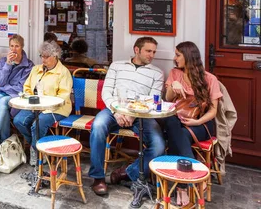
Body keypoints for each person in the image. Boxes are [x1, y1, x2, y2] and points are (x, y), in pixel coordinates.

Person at [88, 37, 165, 196]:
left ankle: (127, 173)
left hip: (141, 115)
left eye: (154, 52)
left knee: (158, 145)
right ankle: (98, 178)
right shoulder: (117, 66)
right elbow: (106, 92)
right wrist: (117, 112)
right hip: (114, 110)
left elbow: (153, 99)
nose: (152, 55)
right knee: (98, 126)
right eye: (148, 51)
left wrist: (133, 114)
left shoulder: (157, 73)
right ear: (137, 50)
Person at [162, 41, 222, 206]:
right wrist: (173, 86)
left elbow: (213, 111)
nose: (174, 58)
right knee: (173, 123)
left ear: (188, 57)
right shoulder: (175, 74)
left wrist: (196, 121)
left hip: (201, 123)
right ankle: (191, 180)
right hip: (178, 120)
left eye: (178, 55)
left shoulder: (210, 79)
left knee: (178, 134)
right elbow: (167, 100)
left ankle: (181, 186)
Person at [13, 41, 72, 166]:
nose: (43, 59)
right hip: (35, 105)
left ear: (55, 56)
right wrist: (29, 97)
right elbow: (27, 86)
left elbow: (63, 95)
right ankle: (37, 146)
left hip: (57, 108)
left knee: (37, 125)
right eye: (41, 56)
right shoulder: (36, 69)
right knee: (18, 120)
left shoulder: (63, 72)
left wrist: (47, 105)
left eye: (46, 56)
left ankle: (37, 151)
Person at [0, 34, 33, 162]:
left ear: (22, 47)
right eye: (11, 46)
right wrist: (8, 65)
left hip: (14, 97)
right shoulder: (4, 61)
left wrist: (2, 87)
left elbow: (20, 88)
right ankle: (3, 145)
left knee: (3, 101)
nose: (14, 49)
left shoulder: (29, 65)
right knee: (1, 103)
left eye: (17, 46)